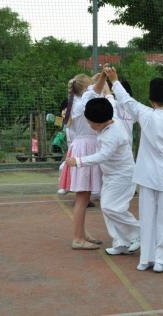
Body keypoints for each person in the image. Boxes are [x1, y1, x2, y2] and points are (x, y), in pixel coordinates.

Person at [108, 70, 163, 273]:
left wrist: (114, 80)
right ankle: (162, 261)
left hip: (146, 176)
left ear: (151, 100)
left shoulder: (144, 114)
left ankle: (145, 259)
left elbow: (126, 99)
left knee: (147, 218)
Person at [65, 97, 140, 254]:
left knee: (111, 207)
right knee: (107, 208)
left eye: (89, 122)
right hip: (111, 175)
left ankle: (140, 232)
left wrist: (78, 161)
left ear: (98, 123)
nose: (89, 125)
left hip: (122, 176)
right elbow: (110, 100)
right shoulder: (111, 119)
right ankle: (121, 242)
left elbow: (101, 156)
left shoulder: (113, 135)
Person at [59, 73, 104, 250]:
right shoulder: (84, 100)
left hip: (80, 146)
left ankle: (81, 233)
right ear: (85, 88)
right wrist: (103, 77)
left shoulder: (75, 103)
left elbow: (92, 87)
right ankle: (77, 238)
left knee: (83, 197)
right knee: (82, 196)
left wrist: (93, 80)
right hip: (85, 147)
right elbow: (96, 88)